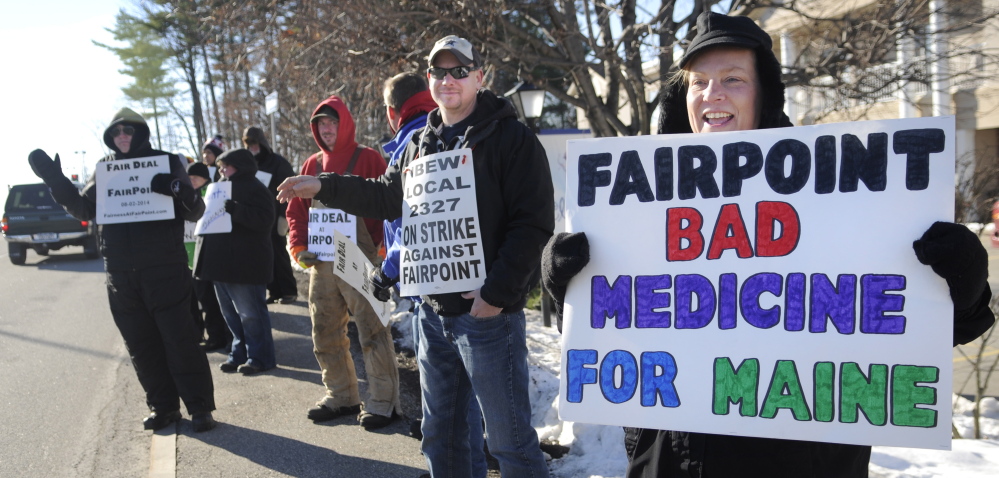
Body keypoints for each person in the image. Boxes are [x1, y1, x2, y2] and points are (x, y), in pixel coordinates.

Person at [541, 12, 998, 477]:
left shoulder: (841, 199)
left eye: (733, 80)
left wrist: (964, 286)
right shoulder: (637, 207)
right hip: (671, 459)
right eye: (698, 82)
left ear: (764, 94)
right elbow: (614, 323)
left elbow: (906, 330)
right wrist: (566, 284)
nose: (712, 94)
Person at [277, 35, 554, 477]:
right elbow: (387, 196)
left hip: (488, 317)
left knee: (510, 442)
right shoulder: (418, 144)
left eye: (459, 71)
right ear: (429, 80)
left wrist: (496, 294)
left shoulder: (512, 138)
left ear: (479, 77)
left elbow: (533, 223)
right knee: (441, 437)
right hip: (431, 313)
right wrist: (323, 186)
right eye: (439, 72)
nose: (449, 80)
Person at [27, 107, 217, 432]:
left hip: (165, 270)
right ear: (110, 138)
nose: (122, 137)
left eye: (128, 131)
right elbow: (84, 209)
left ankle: (200, 408)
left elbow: (195, 210)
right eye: (116, 132)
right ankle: (164, 408)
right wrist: (55, 180)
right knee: (141, 345)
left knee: (180, 339)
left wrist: (175, 188)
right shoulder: (105, 169)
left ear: (140, 133)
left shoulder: (168, 160)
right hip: (120, 275)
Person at [367, 71, 487, 474]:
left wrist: (387, 271)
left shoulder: (414, 146)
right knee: (463, 405)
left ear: (390, 113)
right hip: (471, 287)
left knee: (445, 414)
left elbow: (415, 225)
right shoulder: (450, 132)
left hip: (435, 296)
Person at [285, 95, 401, 429]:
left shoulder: (368, 158)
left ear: (344, 123)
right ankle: (341, 396)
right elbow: (296, 212)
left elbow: (388, 204)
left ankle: (382, 401)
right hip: (322, 262)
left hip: (361, 257)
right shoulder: (311, 165)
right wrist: (299, 246)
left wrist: (381, 250)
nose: (326, 129)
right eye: (321, 123)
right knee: (324, 329)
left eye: (332, 122)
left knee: (372, 329)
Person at [194, 149, 277, 375]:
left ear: (240, 166)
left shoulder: (255, 188)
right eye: (220, 166)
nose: (220, 170)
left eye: (225, 166)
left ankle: (260, 357)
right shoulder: (218, 189)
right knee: (231, 315)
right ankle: (238, 354)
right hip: (221, 265)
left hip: (245, 265)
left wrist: (238, 210)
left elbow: (266, 220)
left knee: (251, 315)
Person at [242, 126, 298, 304]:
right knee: (265, 256)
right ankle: (274, 290)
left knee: (279, 254)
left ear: (261, 143)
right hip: (258, 219)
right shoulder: (250, 166)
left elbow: (291, 189)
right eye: (248, 144)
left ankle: (289, 290)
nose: (252, 147)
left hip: (277, 217)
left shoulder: (278, 163)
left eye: (254, 143)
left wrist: (285, 216)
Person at [186, 162, 232, 352]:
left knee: (211, 301)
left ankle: (218, 337)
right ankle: (201, 335)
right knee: (196, 301)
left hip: (207, 255)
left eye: (196, 177)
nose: (192, 181)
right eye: (189, 178)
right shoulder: (186, 195)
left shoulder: (213, 194)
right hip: (189, 255)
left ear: (205, 178)